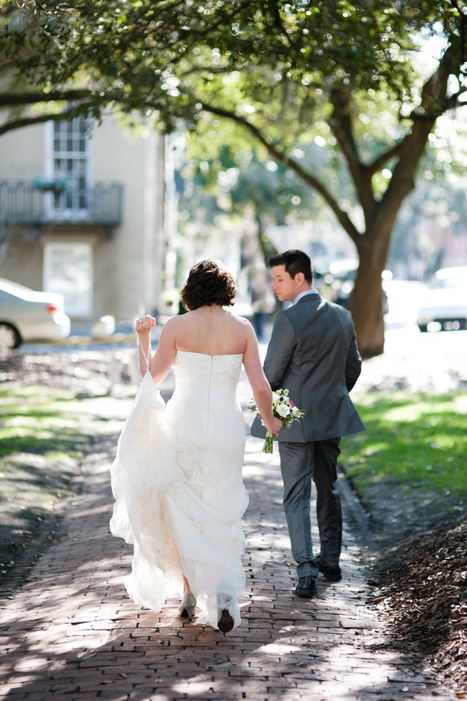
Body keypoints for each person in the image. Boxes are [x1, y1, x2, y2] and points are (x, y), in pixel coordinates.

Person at [110, 259, 281, 633]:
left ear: (191, 289)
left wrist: (143, 339)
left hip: (184, 425)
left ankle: (189, 595)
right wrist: (272, 422)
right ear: (226, 290)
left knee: (184, 508)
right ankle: (222, 597)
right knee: (220, 506)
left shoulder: (177, 326)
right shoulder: (243, 329)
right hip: (225, 429)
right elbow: (260, 385)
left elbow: (150, 380)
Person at [251, 250, 364, 598]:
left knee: (296, 496)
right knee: (328, 488)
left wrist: (276, 410)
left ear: (300, 278)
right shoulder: (342, 315)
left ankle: (306, 571)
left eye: (280, 279)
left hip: (294, 422)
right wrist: (331, 396)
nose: (274, 285)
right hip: (331, 419)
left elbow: (269, 374)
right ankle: (330, 561)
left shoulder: (288, 320)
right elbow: (353, 367)